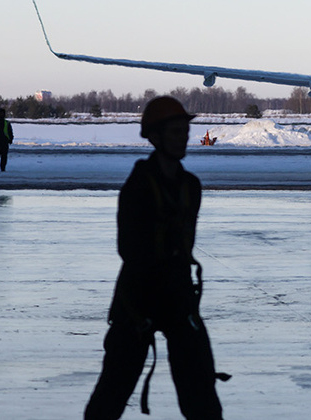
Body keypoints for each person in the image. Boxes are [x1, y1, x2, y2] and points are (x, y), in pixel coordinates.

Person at [85, 97, 225, 420]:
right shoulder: (138, 187)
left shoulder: (191, 186)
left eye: (185, 131)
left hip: (177, 295)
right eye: (176, 131)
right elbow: (129, 249)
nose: (184, 137)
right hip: (138, 297)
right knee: (113, 391)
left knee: (201, 392)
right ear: (156, 137)